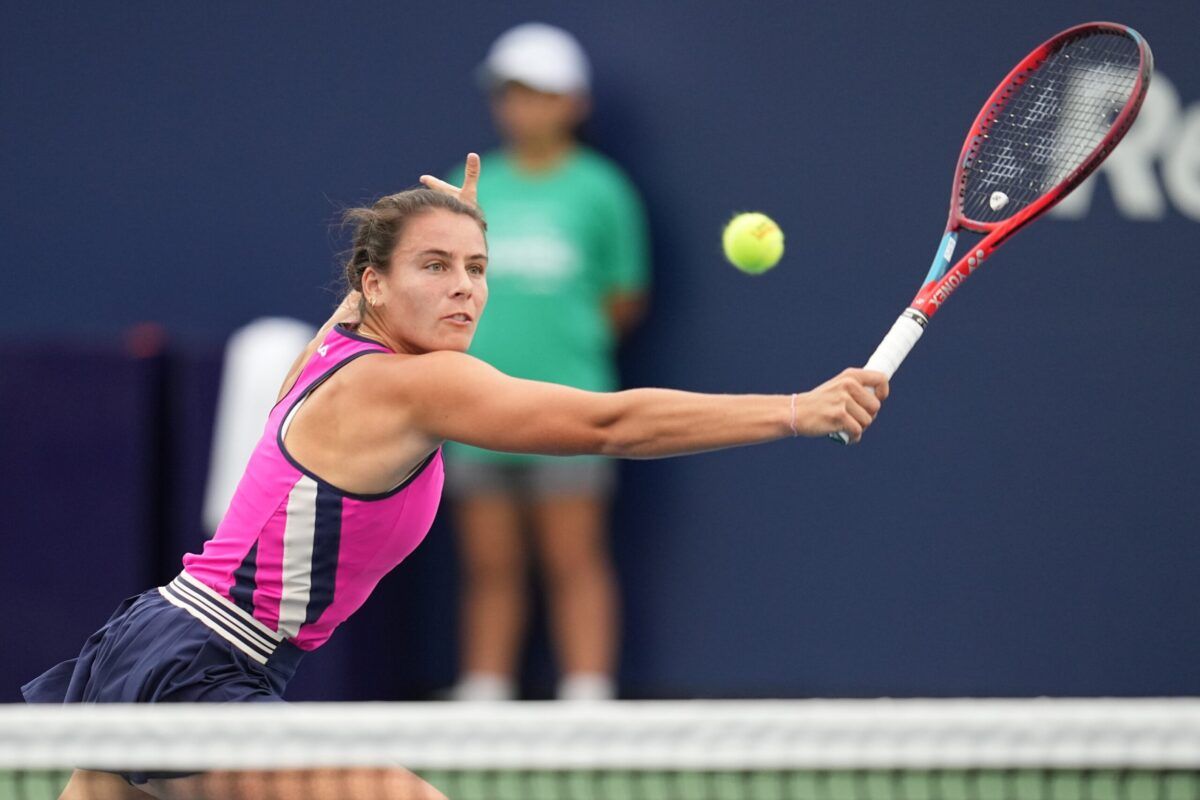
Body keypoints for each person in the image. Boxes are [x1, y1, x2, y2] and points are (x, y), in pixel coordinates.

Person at [22, 155, 888, 800]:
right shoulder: (417, 383)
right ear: (374, 285)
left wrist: (437, 233)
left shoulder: (337, 346)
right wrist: (795, 410)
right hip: (198, 669)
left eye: (477, 268)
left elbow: (371, 298)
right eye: (434, 268)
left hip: (157, 639)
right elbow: (608, 424)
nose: (464, 290)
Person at [443, 22, 651, 703]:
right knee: (488, 563)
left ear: (573, 103)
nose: (522, 107)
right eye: (510, 94)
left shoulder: (602, 190)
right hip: (473, 406)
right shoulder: (468, 187)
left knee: (574, 557)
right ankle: (485, 690)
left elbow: (624, 297)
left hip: (571, 405)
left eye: (538, 93)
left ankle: (587, 694)